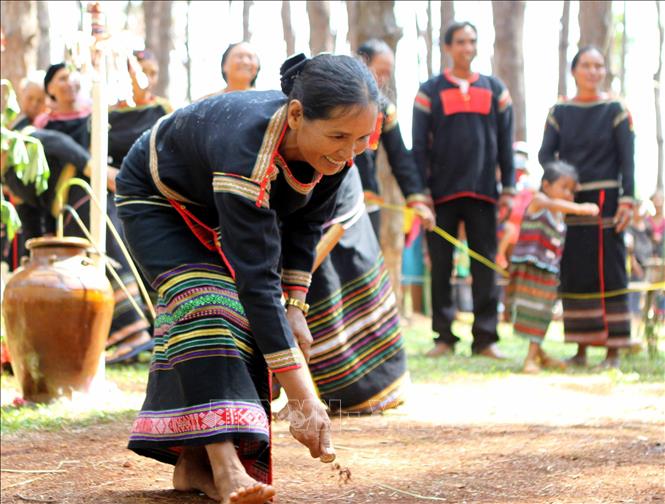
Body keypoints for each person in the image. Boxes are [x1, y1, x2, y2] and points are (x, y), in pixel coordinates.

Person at [114, 53, 379, 502]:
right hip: (157, 199)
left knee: (254, 320)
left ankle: (192, 466)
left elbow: (305, 224)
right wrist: (303, 398)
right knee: (207, 305)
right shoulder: (247, 146)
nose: (348, 152)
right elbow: (255, 283)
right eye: (338, 136)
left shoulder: (337, 155)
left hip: (218, 204)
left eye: (360, 139)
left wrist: (296, 305)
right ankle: (224, 468)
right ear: (296, 115)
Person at [33, 62, 153, 364]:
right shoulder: (42, 129)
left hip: (113, 199)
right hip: (74, 207)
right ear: (50, 89)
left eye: (73, 75)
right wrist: (91, 165)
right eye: (61, 78)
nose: (69, 82)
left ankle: (149, 329)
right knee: (100, 233)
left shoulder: (100, 117)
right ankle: (130, 332)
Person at [412, 21, 515, 359]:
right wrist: (420, 191)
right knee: (440, 266)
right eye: (460, 42)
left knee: (485, 265)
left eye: (472, 41)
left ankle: (485, 338)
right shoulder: (429, 91)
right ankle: (443, 337)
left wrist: (510, 188)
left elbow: (505, 144)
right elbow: (419, 147)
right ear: (448, 47)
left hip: (485, 192)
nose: (467, 48)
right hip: (440, 194)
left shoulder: (496, 89)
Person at [539, 46, 635, 368]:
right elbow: (544, 154)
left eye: (599, 66)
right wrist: (561, 183)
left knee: (610, 270)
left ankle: (614, 349)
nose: (593, 71)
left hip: (608, 199)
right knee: (576, 270)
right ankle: (581, 348)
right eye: (586, 65)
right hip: (571, 200)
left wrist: (628, 198)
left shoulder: (615, 109)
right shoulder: (560, 112)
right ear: (574, 70)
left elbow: (627, 159)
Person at [508, 161, 599, 374]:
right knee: (533, 310)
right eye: (563, 187)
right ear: (546, 185)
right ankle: (530, 358)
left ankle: (538, 353)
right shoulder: (539, 201)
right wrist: (581, 208)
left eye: (571, 190)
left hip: (548, 270)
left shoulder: (560, 214)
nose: (568, 194)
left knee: (543, 312)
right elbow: (556, 206)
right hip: (531, 268)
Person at [354, 39, 433, 237]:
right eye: (379, 72)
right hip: (328, 198)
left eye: (387, 74)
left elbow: (400, 158)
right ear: (363, 62)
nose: (382, 80)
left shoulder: (384, 109)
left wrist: (416, 201)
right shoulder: (333, 98)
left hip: (365, 198)